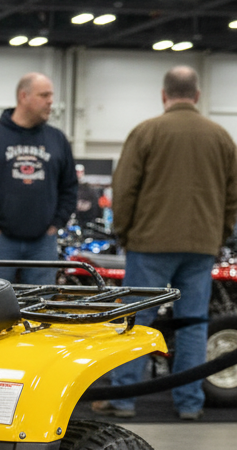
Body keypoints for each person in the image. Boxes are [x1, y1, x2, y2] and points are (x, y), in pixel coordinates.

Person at [94, 65, 237, 421]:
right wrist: (217, 236)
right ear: (198, 96)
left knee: (136, 321)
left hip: (149, 243)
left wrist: (124, 234)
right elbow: (233, 197)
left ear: (163, 95)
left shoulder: (146, 132)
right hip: (201, 245)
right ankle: (190, 403)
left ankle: (125, 399)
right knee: (192, 323)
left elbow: (124, 190)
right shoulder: (221, 136)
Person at [0, 72, 77, 285]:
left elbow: (69, 188)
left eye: (51, 95)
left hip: (43, 243)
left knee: (41, 307)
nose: (51, 101)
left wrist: (55, 225)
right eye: (44, 95)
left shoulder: (57, 139)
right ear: (23, 96)